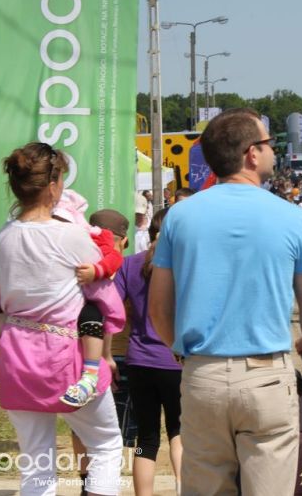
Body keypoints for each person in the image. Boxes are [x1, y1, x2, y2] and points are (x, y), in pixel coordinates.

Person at [149, 108, 302, 494]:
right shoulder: (293, 218)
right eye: (268, 144)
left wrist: (182, 351)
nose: (274, 151)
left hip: (203, 375)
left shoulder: (179, 217)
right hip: (266, 375)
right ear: (251, 153)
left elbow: (159, 309)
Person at [0, 142, 126, 495]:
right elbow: (104, 296)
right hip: (67, 360)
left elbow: (1, 302)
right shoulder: (71, 235)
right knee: (106, 444)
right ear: (52, 185)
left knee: (36, 464)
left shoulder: (2, 238)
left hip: (16, 358)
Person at [0, 189, 126, 408]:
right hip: (41, 322)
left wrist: (96, 272)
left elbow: (111, 264)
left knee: (91, 319)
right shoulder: (53, 235)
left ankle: (90, 374)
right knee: (8, 314)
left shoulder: (89, 237)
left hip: (80, 310)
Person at [115, 208, 182, 496]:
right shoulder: (185, 265)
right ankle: (184, 489)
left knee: (146, 438)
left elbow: (112, 309)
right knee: (179, 432)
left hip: (139, 361)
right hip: (177, 362)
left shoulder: (128, 265)